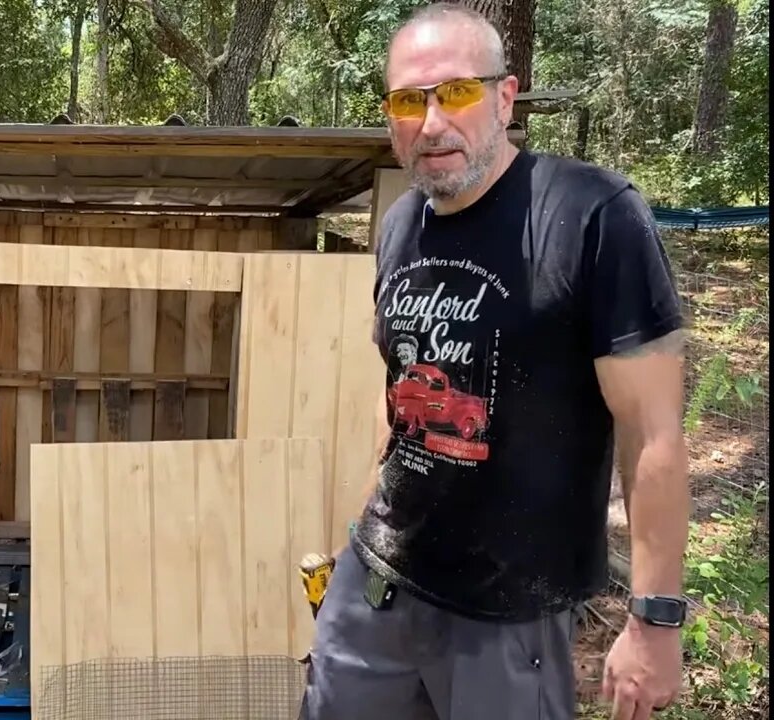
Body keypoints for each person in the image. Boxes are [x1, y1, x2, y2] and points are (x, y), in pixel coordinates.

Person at [301, 4, 691, 720]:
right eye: (407, 101)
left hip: (507, 615)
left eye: (455, 92)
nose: (431, 122)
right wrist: (356, 538)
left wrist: (654, 620)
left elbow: (652, 434)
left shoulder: (591, 214)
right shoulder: (400, 228)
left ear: (505, 98)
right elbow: (398, 405)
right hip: (378, 589)